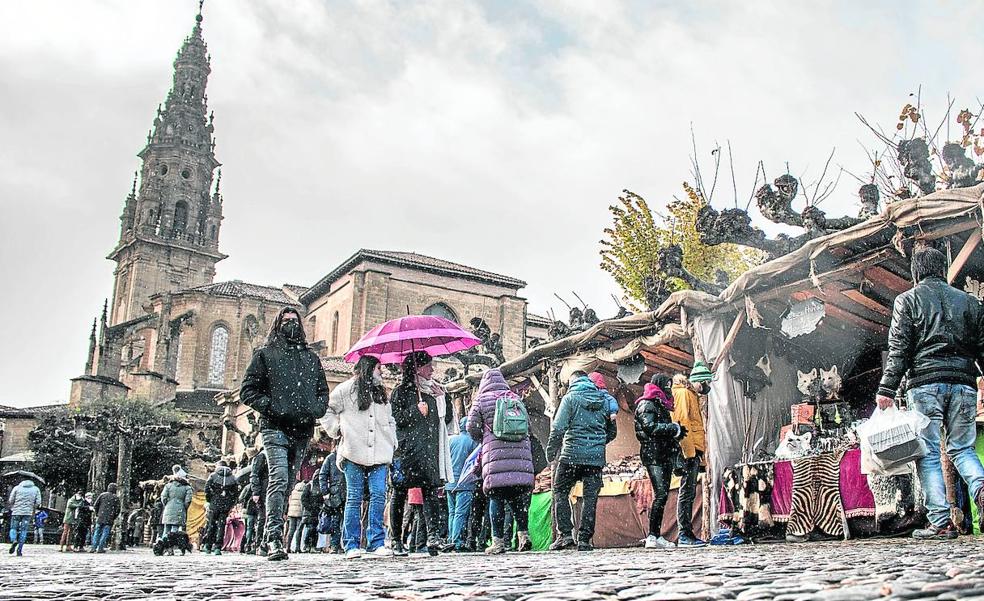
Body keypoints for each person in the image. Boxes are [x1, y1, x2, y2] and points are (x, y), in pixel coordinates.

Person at [876, 246, 984, 538]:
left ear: (916, 271)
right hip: (963, 384)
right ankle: (981, 487)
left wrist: (886, 388)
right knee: (962, 448)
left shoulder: (907, 301)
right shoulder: (970, 303)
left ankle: (940, 522)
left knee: (929, 453)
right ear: (943, 268)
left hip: (925, 385)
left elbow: (899, 349)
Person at [241, 306, 328, 561]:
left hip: (302, 430)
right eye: (286, 320)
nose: (291, 324)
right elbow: (248, 391)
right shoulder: (265, 355)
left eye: (294, 321)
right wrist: (272, 406)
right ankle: (273, 538)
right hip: (274, 427)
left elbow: (322, 391)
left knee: (288, 483)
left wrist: (317, 409)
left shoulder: (311, 359)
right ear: (277, 325)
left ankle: (268, 536)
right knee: (278, 478)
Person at [389, 351, 453, 557]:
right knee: (400, 494)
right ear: (417, 369)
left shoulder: (433, 392)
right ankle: (396, 539)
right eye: (428, 366)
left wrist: (443, 399)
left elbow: (446, 420)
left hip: (428, 450)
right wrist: (416, 410)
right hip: (406, 451)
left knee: (430, 492)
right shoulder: (400, 392)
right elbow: (396, 419)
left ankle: (433, 537)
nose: (432, 370)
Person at [547, 370, 617, 552]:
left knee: (560, 491)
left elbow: (558, 428)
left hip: (571, 455)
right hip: (595, 458)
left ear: (573, 381)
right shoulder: (603, 400)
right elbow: (612, 431)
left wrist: (551, 451)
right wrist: (597, 443)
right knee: (590, 498)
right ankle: (585, 539)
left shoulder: (570, 398)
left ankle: (565, 535)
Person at [467, 368, 535, 554]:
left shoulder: (481, 400)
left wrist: (485, 437)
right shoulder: (515, 398)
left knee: (496, 496)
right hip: (519, 456)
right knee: (517, 498)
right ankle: (524, 535)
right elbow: (527, 426)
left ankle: (497, 542)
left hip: (495, 456)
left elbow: (471, 427)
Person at [635, 374, 687, 549]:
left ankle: (656, 534)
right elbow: (650, 428)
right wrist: (672, 428)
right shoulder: (646, 404)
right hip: (653, 456)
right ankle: (652, 535)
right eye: (667, 385)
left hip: (662, 454)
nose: (669, 388)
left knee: (662, 495)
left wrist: (677, 433)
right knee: (661, 494)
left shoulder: (660, 404)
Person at [670, 373, 708, 547]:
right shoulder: (684, 394)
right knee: (687, 492)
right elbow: (683, 422)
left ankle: (687, 533)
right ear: (698, 381)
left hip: (691, 449)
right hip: (688, 450)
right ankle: (685, 534)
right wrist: (690, 452)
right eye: (705, 383)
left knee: (688, 492)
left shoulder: (688, 394)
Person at [445, 417, 479, 552]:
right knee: (460, 513)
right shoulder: (473, 442)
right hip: (465, 483)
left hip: (450, 482)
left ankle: (451, 539)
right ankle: (456, 541)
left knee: (452, 513)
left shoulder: (451, 441)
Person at [315, 443, 348, 555]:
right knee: (336, 521)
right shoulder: (331, 458)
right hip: (336, 493)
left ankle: (344, 544)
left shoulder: (345, 456)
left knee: (345, 520)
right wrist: (325, 492)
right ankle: (335, 545)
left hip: (345, 492)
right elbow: (322, 475)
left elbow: (323, 475)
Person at [203, 460, 239, 555]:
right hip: (225, 505)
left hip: (214, 503)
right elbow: (235, 493)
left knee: (211, 524)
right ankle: (218, 547)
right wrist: (230, 502)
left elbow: (206, 489)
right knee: (221, 525)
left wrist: (210, 499)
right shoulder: (232, 477)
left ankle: (208, 545)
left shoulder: (213, 476)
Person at [7, 478, 42, 556]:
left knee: (13, 528)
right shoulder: (36, 489)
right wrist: (33, 508)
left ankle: (13, 540)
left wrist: (15, 505)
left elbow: (11, 500)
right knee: (24, 530)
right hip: (27, 513)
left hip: (16, 511)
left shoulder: (16, 488)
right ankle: (19, 550)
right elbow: (38, 502)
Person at [160, 472, 193, 547]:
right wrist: (184, 507)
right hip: (180, 509)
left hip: (168, 508)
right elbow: (188, 500)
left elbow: (163, 497)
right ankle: (172, 544)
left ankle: (163, 546)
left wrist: (167, 504)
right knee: (175, 529)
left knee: (166, 529)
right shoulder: (187, 487)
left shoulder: (168, 486)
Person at [248, 445, 269, 555]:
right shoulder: (262, 457)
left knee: (265, 518)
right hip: (264, 491)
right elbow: (254, 475)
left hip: (268, 490)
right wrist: (256, 492)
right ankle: (259, 543)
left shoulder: (263, 457)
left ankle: (263, 543)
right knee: (263, 518)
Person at [92, 483, 120, 553]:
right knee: (105, 533)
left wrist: (98, 514)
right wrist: (113, 517)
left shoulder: (102, 495)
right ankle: (100, 548)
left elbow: (95, 506)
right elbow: (118, 510)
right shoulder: (115, 498)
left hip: (100, 517)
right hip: (109, 518)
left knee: (97, 532)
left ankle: (93, 547)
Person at [300, 478, 322, 552]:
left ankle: (312, 546)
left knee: (314, 529)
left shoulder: (313, 485)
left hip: (315, 511)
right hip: (310, 512)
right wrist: (310, 507)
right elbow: (303, 498)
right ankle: (307, 545)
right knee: (311, 528)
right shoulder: (310, 485)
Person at [286, 480, 306, 553]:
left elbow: (289, 502)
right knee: (299, 530)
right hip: (300, 513)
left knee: (291, 530)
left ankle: (288, 547)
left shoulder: (293, 492)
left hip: (292, 513)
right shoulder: (304, 492)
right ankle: (297, 548)